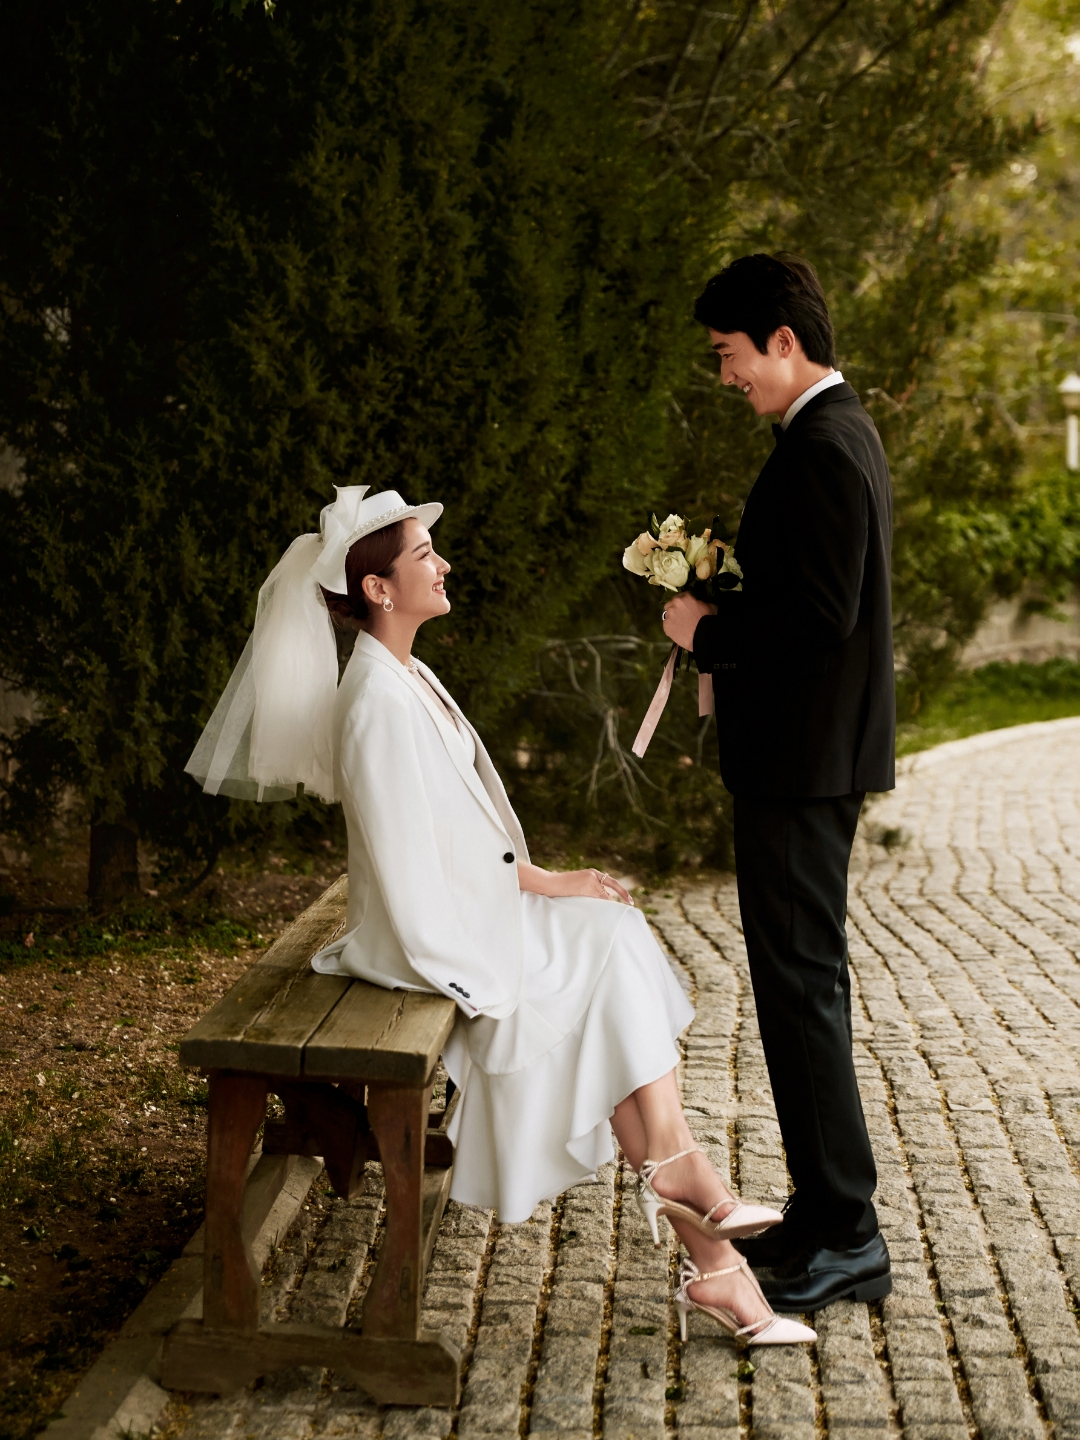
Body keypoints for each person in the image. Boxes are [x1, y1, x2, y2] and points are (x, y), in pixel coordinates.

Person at [185, 483, 815, 1346]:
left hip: (457, 909)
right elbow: (408, 873)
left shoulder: (407, 673)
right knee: (606, 954)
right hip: (421, 937)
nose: (443, 565)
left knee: (609, 944)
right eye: (423, 556)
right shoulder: (373, 701)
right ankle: (696, 1206)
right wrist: (515, 922)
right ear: (378, 588)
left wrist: (548, 881)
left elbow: (462, 833)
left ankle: (710, 1248)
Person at [662, 253, 895, 1312]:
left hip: (804, 767)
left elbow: (821, 615)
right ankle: (822, 1212)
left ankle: (850, 1234)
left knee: (803, 995)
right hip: (804, 761)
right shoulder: (827, 436)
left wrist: (707, 631)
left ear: (783, 341)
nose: (726, 375)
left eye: (729, 354)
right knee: (797, 991)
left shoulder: (824, 447)